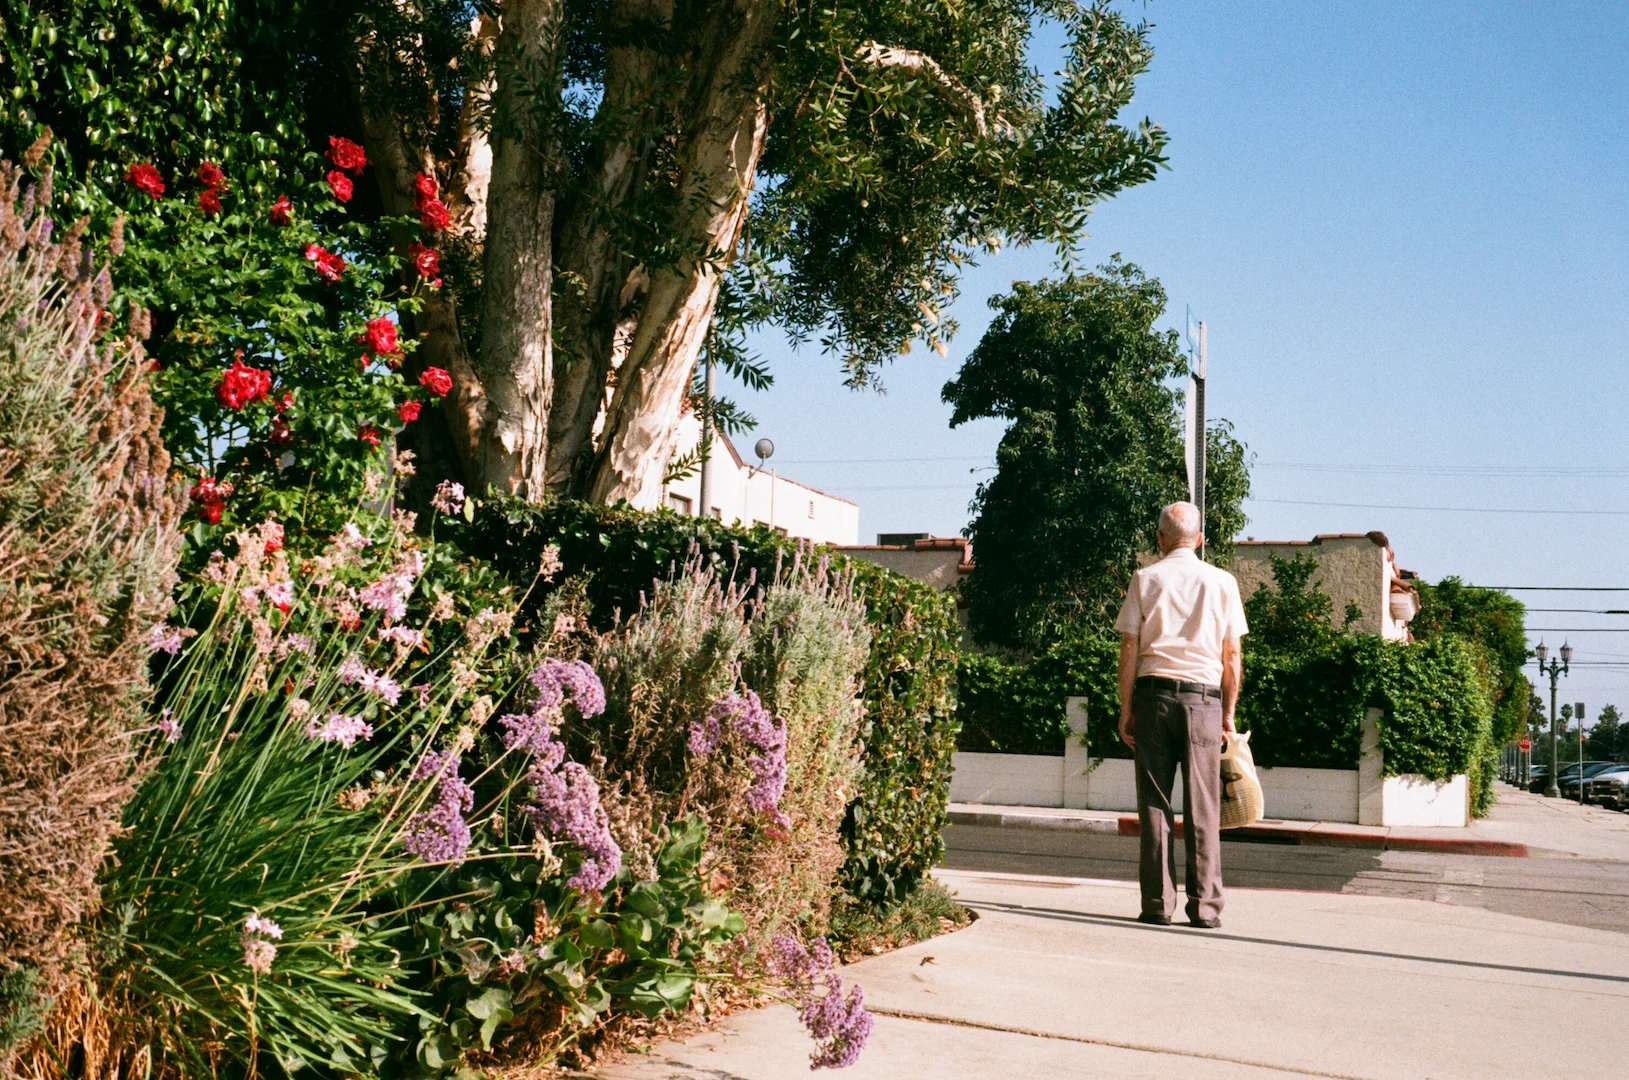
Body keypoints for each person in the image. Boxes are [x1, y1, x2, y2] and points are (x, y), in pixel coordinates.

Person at [1114, 501, 1247, 928]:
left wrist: (1126, 707)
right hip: (1204, 700)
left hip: (1153, 698)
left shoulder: (1145, 579)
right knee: (1203, 806)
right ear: (1200, 539)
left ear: (1160, 538)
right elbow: (1231, 655)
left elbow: (1130, 648)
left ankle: (1156, 903)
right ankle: (1205, 908)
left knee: (1154, 803)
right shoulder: (1223, 582)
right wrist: (1228, 712)